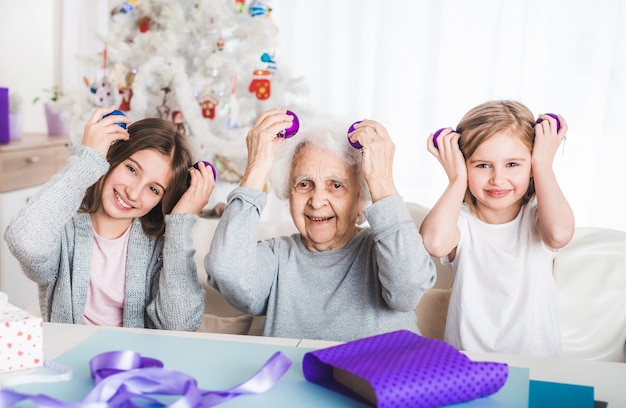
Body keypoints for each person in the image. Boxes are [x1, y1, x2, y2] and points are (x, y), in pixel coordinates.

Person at [205, 108, 436, 342]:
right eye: (304, 184)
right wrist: (256, 168)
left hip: (380, 376)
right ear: (289, 194)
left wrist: (381, 180)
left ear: (360, 201)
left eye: (336, 185)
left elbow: (408, 289)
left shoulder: (385, 250)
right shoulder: (276, 257)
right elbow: (226, 270)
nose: (316, 201)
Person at [4, 107, 214, 330]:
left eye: (153, 189)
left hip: (137, 362)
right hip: (70, 357)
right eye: (132, 169)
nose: (133, 193)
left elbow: (181, 325)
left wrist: (181, 223)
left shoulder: (162, 247)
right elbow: (23, 241)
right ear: (113, 157)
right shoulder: (63, 230)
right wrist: (87, 159)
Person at [420, 100, 575, 357]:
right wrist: (457, 178)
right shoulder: (460, 222)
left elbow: (559, 234)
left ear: (532, 166)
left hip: (539, 362)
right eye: (482, 165)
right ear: (463, 163)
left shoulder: (537, 216)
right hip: (468, 360)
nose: (497, 178)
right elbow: (434, 243)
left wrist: (544, 165)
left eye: (513, 164)